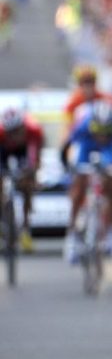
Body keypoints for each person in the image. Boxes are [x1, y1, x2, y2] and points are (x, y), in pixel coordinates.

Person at [60, 101, 112, 261]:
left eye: (106, 131)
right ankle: (72, 235)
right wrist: (68, 169)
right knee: (78, 186)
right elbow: (66, 149)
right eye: (98, 130)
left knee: (111, 185)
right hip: (87, 147)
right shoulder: (82, 127)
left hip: (107, 149)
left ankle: (110, 235)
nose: (102, 135)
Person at [0, 107, 44, 251]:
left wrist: (32, 174)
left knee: (27, 185)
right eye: (10, 132)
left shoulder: (34, 131)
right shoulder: (1, 133)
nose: (14, 136)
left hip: (24, 151)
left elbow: (35, 159)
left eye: (17, 131)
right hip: (3, 150)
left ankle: (25, 228)